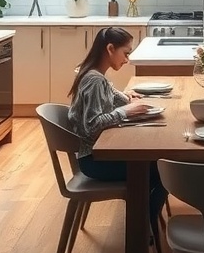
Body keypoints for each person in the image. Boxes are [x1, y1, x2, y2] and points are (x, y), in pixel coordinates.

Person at [68, 25, 168, 228]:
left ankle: (144, 221)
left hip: (96, 155)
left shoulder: (95, 74)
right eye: (125, 53)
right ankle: (143, 225)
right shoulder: (94, 80)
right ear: (110, 49)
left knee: (159, 166)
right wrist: (125, 112)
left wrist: (127, 99)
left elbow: (112, 94)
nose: (127, 59)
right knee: (164, 170)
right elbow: (91, 125)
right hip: (94, 161)